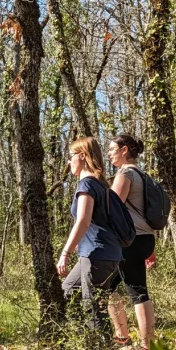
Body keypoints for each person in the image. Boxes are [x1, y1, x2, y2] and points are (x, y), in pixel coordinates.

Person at [57, 137, 123, 328]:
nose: (69, 162)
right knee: (68, 291)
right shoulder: (100, 185)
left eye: (71, 156)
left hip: (96, 255)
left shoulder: (86, 185)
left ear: (83, 156)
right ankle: (81, 342)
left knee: (92, 308)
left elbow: (83, 221)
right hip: (106, 254)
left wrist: (65, 254)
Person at [106, 134, 156, 350]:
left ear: (124, 150)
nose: (109, 153)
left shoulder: (125, 174)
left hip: (130, 240)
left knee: (132, 289)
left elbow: (112, 210)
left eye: (112, 149)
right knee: (111, 285)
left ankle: (140, 343)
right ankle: (127, 337)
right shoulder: (143, 175)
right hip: (145, 238)